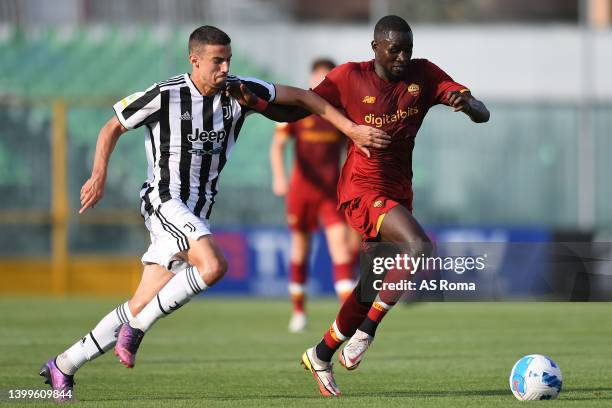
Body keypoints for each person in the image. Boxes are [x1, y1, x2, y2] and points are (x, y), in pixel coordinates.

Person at [39, 25, 390, 403]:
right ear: (194, 60)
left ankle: (65, 364)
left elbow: (305, 98)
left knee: (140, 301)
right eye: (216, 61)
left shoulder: (239, 91)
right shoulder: (167, 94)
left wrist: (352, 130)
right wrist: (99, 174)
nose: (225, 68)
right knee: (213, 266)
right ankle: (137, 330)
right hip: (164, 200)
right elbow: (111, 127)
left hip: (198, 209)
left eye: (228, 60)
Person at [295, 15, 490, 396]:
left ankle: (319, 355)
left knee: (370, 285)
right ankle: (366, 333)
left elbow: (484, 113)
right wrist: (260, 103)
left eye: (408, 50)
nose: (402, 57)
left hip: (399, 190)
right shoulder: (350, 77)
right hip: (361, 188)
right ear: (375, 48)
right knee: (420, 246)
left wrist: (466, 103)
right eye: (394, 49)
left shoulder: (425, 75)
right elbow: (306, 102)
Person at [270, 58, 359, 333]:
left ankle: (351, 318)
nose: (321, 84)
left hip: (331, 192)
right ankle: (299, 312)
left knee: (341, 248)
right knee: (301, 249)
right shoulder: (297, 110)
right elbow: (278, 146)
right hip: (301, 191)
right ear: (310, 80)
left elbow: (351, 153)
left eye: (326, 79)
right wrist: (280, 177)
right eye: (317, 78)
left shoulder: (340, 114)